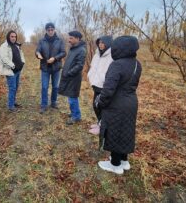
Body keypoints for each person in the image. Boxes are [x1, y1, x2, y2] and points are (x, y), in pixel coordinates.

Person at [95, 35, 142, 175]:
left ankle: (115, 164)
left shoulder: (117, 65)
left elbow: (108, 90)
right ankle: (124, 160)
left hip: (117, 103)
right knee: (126, 130)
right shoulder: (136, 63)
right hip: (131, 102)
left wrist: (100, 103)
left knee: (114, 131)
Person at [35, 22, 66, 113]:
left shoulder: (60, 40)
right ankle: (44, 105)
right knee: (44, 87)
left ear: (54, 30)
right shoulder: (42, 41)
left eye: (52, 29)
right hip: (45, 67)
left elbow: (63, 52)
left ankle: (53, 102)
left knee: (55, 86)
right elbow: (37, 50)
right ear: (46, 30)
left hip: (56, 67)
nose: (50, 31)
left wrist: (55, 58)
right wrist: (38, 54)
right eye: (48, 30)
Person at [58, 31, 86, 125]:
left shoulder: (81, 50)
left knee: (72, 98)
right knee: (71, 97)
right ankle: (75, 113)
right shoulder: (73, 48)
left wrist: (69, 73)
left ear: (78, 39)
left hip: (73, 78)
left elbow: (79, 66)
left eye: (71, 38)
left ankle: (76, 117)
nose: (69, 40)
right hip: (69, 77)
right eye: (69, 38)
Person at [87, 36, 113, 134]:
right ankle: (99, 123)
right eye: (99, 43)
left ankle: (102, 127)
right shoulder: (97, 54)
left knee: (100, 106)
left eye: (103, 43)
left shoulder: (112, 56)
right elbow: (93, 66)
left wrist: (104, 80)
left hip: (103, 86)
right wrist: (90, 75)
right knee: (95, 105)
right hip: (96, 84)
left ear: (108, 43)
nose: (100, 45)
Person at [0, 30, 25, 112]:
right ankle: (11, 106)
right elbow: (4, 59)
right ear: (8, 37)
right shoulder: (4, 46)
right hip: (11, 71)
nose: (13, 38)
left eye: (15, 36)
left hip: (17, 71)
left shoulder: (16, 45)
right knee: (12, 88)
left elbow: (21, 55)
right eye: (12, 36)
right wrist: (13, 66)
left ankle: (13, 102)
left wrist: (22, 62)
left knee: (16, 87)